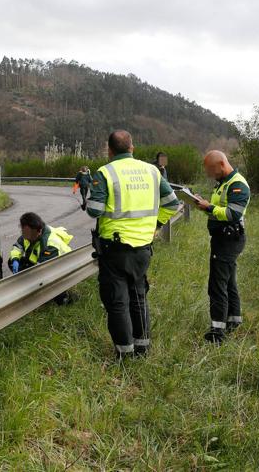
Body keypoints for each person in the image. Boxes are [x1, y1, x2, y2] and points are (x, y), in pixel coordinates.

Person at [86, 131, 180, 358]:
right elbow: (172, 204)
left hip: (115, 249)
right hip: (143, 248)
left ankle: (124, 353)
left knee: (117, 301)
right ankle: (142, 347)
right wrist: (155, 224)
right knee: (139, 297)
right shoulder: (153, 171)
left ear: (109, 150)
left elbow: (94, 210)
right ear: (132, 148)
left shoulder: (105, 173)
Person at [193, 150, 250, 344]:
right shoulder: (223, 183)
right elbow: (218, 212)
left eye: (211, 170)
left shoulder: (237, 185)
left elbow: (232, 214)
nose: (209, 174)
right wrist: (202, 204)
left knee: (217, 285)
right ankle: (234, 320)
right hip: (222, 238)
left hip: (228, 240)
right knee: (228, 282)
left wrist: (208, 207)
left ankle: (217, 332)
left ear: (222, 164)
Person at [9, 212, 73, 274]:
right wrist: (15, 259)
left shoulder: (50, 245)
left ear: (39, 231)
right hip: (40, 262)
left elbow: (41, 271)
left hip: (60, 268)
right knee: (12, 261)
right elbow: (17, 247)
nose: (25, 238)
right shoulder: (30, 233)